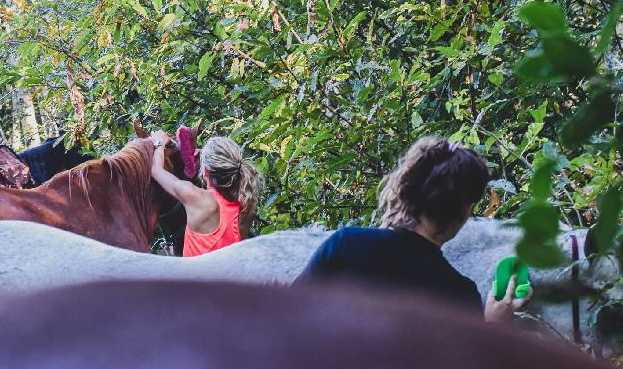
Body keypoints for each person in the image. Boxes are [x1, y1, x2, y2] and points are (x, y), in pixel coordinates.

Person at [295, 137, 531, 323]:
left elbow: (289, 315)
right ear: (466, 211)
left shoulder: (347, 245)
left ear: (406, 189)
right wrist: (491, 326)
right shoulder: (460, 294)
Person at [150, 130, 261, 257]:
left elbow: (156, 170)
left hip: (197, 276)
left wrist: (159, 142)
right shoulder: (245, 200)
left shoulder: (196, 197)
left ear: (205, 172)